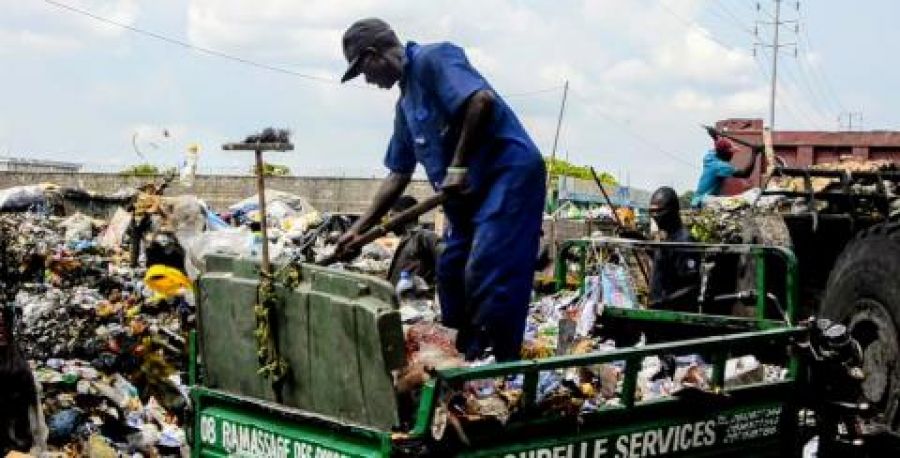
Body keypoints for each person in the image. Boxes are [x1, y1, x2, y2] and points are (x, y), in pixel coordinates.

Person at [336, 18, 546, 361]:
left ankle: (494, 365)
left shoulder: (434, 59)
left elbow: (481, 101)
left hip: (506, 175)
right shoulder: (404, 108)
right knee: (449, 273)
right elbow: (397, 176)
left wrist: (458, 166)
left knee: (488, 269)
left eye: (364, 71)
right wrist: (359, 231)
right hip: (465, 198)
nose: (368, 81)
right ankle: (461, 356)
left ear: (374, 55)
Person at [648, 187, 700, 311]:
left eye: (659, 211)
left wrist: (663, 301)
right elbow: (666, 263)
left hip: (674, 317)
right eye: (652, 212)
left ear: (672, 210)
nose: (655, 216)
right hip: (659, 314)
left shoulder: (684, 242)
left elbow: (692, 286)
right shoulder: (669, 238)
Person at [385, 195, 440, 287]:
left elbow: (447, 263)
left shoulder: (424, 237)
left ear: (404, 214)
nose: (389, 221)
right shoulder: (406, 239)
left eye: (391, 215)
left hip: (415, 300)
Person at [691, 136, 761, 207]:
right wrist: (754, 154)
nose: (732, 155)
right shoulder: (721, 166)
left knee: (755, 191)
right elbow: (745, 174)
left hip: (697, 200)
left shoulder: (709, 156)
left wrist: (715, 137)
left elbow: (718, 147)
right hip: (703, 201)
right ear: (725, 154)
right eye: (731, 153)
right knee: (746, 198)